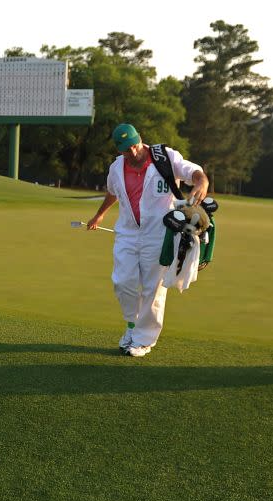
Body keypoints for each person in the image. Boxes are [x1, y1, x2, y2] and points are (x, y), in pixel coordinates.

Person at [86, 123, 209, 357]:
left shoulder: (165, 156)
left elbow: (192, 171)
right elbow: (113, 191)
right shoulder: (116, 167)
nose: (131, 152)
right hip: (128, 232)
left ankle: (143, 340)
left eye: (134, 146)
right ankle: (132, 327)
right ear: (118, 149)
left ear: (140, 139)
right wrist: (100, 214)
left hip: (159, 233)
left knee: (153, 288)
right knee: (122, 281)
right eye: (125, 149)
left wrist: (202, 181)